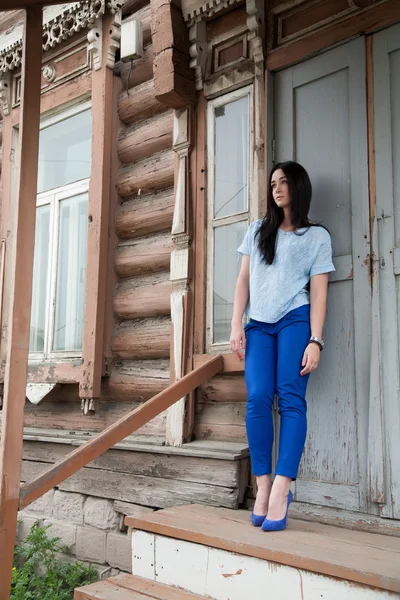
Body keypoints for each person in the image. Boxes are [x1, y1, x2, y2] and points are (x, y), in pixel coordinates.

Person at [230, 161, 335, 532]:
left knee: (290, 398)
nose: (277, 188)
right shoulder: (257, 231)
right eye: (273, 183)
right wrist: (235, 325)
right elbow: (244, 280)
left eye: (284, 181)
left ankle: (282, 488)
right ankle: (262, 485)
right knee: (258, 397)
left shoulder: (317, 237)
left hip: (295, 321)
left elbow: (320, 292)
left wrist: (315, 340)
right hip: (258, 325)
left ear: (298, 186)